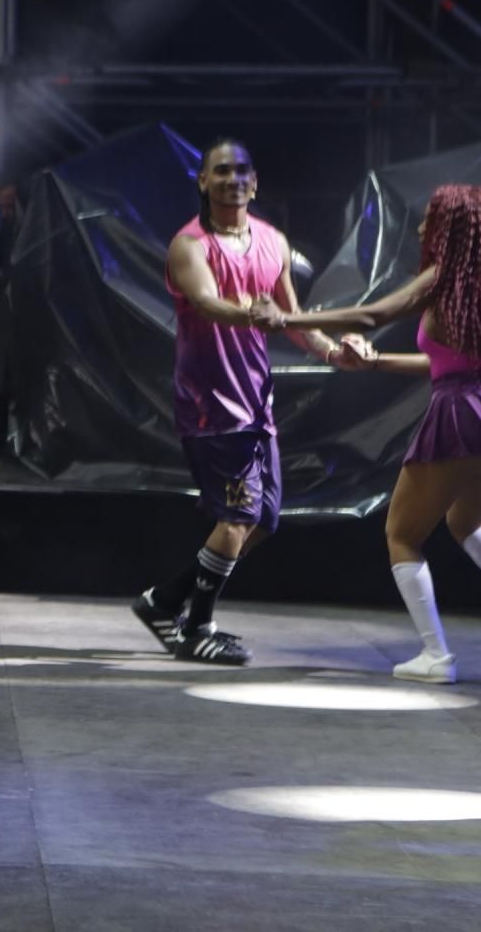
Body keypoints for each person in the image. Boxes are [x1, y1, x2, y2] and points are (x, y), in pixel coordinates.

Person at [258, 183, 481, 682]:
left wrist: (285, 317)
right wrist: (376, 361)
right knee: (466, 523)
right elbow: (444, 364)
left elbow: (371, 314)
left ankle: (435, 656)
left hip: (460, 415)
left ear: (452, 231)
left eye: (430, 220)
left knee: (401, 534)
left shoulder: (440, 278)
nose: (420, 229)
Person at [129, 139, 354, 666]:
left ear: (255, 183)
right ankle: (197, 628)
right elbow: (208, 303)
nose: (233, 179)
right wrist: (256, 313)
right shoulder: (190, 245)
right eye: (222, 170)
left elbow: (292, 317)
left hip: (257, 404)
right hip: (212, 405)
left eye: (242, 171)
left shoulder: (273, 241)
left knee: (262, 520)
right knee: (237, 516)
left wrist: (330, 350)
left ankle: (163, 602)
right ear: (203, 181)